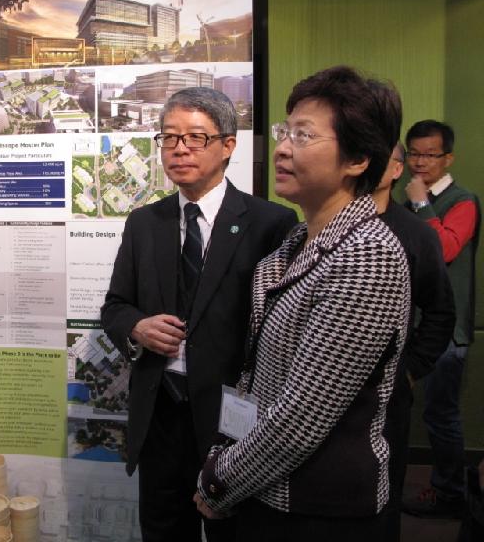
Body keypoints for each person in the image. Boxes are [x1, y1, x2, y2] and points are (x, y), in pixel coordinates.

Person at [195, 66, 411, 541]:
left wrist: (217, 482)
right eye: (284, 131)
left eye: (304, 135)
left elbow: (301, 417)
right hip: (265, 489)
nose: (282, 148)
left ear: (357, 159)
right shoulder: (295, 243)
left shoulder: (366, 255)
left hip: (320, 509)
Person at [101, 87, 297, 541]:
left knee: (234, 532)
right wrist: (136, 327)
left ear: (228, 145)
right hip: (161, 414)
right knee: (164, 530)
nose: (180, 149)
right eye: (169, 138)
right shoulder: (144, 223)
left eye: (195, 137)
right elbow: (115, 306)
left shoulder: (271, 224)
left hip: (234, 420)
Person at [373, 142, 455, 540]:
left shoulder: (415, 233)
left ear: (396, 170)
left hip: (389, 397)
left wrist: (411, 369)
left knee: (383, 491)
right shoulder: (321, 225)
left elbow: (440, 312)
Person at [401, 120, 481, 519]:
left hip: (447, 332)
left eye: (430, 155)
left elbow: (446, 248)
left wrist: (420, 202)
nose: (420, 162)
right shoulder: (406, 199)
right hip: (410, 326)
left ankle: (450, 494)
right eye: (414, 153)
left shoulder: (463, 200)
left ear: (448, 157)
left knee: (441, 415)